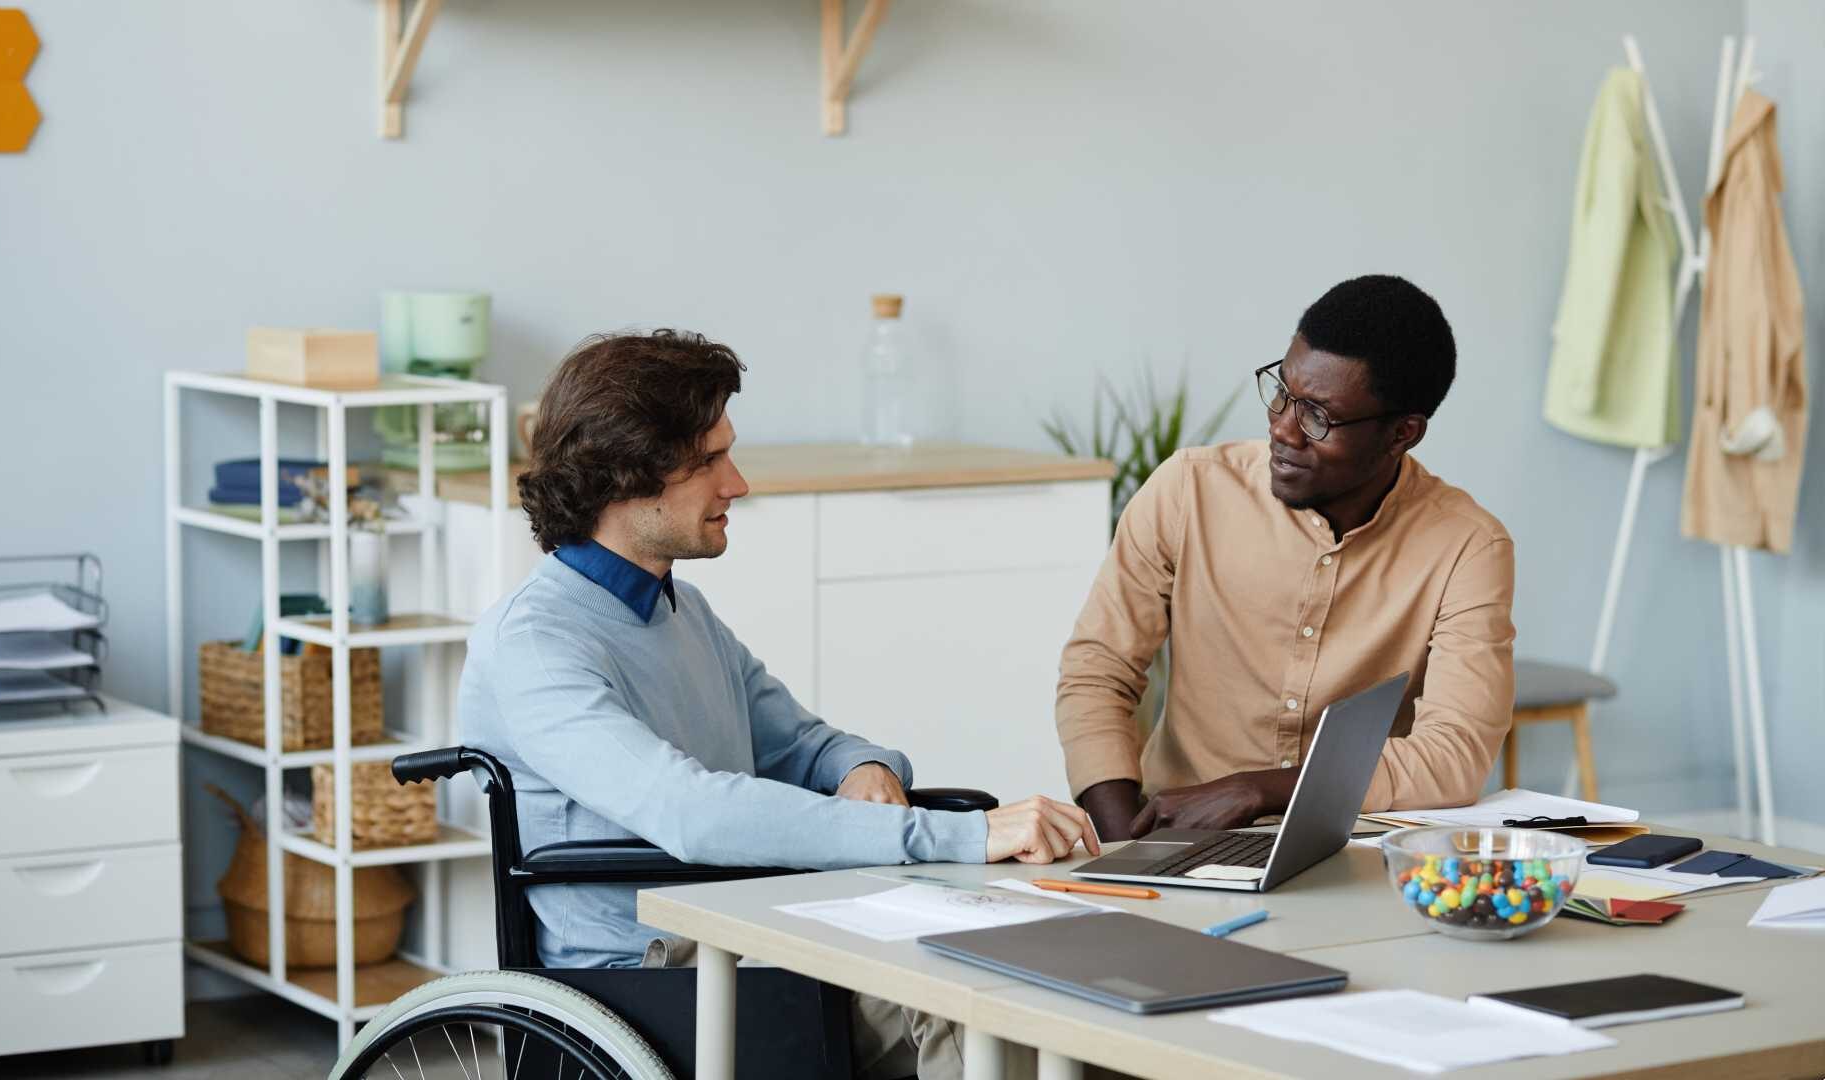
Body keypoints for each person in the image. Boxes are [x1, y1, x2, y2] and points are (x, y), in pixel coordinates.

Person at [458, 328, 1098, 1080]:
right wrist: (954, 835)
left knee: (1037, 958)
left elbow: (803, 744)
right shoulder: (534, 644)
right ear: (625, 476)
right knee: (964, 992)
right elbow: (691, 812)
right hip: (648, 976)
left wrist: (860, 766)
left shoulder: (680, 610)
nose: (737, 484)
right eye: (708, 462)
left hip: (756, 927)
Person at [1057, 275, 1516, 842]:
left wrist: (1261, 790)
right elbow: (1096, 674)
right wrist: (1128, 841)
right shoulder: (1189, 491)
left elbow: (1453, 754)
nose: (1282, 429)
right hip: (1169, 836)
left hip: (1352, 850)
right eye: (1281, 393)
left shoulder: (1467, 546)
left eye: (1318, 417)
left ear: (1402, 434)